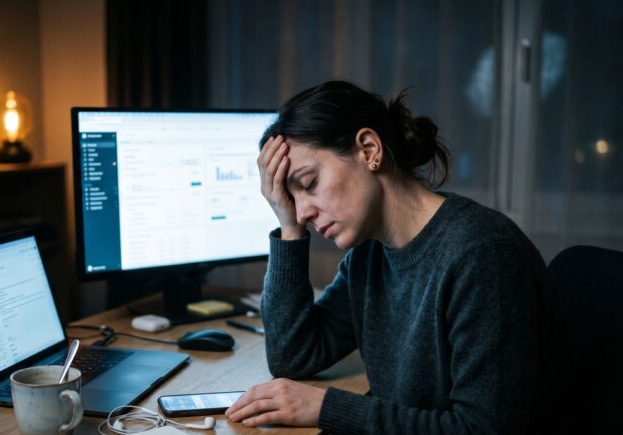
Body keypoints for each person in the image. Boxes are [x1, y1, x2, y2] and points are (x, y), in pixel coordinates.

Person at [224, 80, 562, 434]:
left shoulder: (483, 254)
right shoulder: (370, 253)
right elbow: (293, 356)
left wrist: (327, 407)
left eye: (308, 184)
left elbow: (481, 429)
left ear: (369, 150)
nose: (303, 212)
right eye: (292, 199)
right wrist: (288, 226)